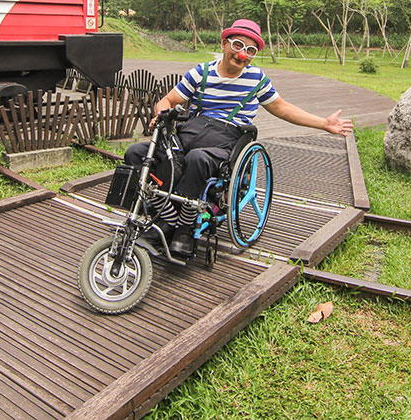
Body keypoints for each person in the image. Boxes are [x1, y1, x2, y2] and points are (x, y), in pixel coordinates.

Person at [123, 18, 354, 257]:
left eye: (250, 50)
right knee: (136, 153)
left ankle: (182, 227)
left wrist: (324, 124)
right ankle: (164, 214)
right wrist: (161, 113)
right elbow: (168, 100)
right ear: (224, 44)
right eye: (237, 45)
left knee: (197, 159)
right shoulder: (201, 73)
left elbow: (282, 108)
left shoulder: (256, 80)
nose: (242, 54)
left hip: (226, 138)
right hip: (190, 131)